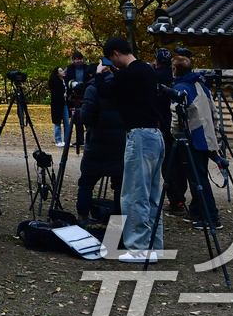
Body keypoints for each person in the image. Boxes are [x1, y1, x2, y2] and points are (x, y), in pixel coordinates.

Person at [101, 35, 164, 262]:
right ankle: (154, 246)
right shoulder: (147, 70)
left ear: (116, 54)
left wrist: (100, 76)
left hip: (139, 136)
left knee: (134, 194)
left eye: (111, 60)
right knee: (152, 195)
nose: (112, 65)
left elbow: (106, 92)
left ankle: (138, 247)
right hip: (156, 136)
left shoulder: (130, 73)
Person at [167, 55, 221, 229]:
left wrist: (175, 134)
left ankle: (210, 216)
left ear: (175, 70)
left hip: (191, 138)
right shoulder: (202, 86)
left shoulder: (181, 88)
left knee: (198, 180)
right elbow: (214, 112)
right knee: (199, 175)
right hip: (206, 137)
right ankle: (197, 210)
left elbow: (176, 115)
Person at [75, 60, 124, 221]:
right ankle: (117, 225)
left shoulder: (93, 88)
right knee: (120, 187)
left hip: (97, 144)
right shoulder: (121, 87)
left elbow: (85, 117)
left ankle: (83, 218)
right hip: (120, 145)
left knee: (86, 182)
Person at [65, 51, 91, 148]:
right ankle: (79, 140)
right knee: (76, 119)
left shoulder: (87, 68)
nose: (79, 61)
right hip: (74, 96)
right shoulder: (69, 69)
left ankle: (89, 139)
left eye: (80, 58)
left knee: (87, 117)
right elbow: (64, 78)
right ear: (73, 60)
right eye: (77, 59)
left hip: (86, 94)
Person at [49, 67, 69, 147]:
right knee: (57, 122)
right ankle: (58, 140)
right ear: (57, 73)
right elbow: (54, 94)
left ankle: (66, 140)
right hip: (57, 104)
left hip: (64, 103)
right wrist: (62, 95)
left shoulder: (65, 81)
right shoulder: (54, 82)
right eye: (61, 71)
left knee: (66, 122)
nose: (63, 72)